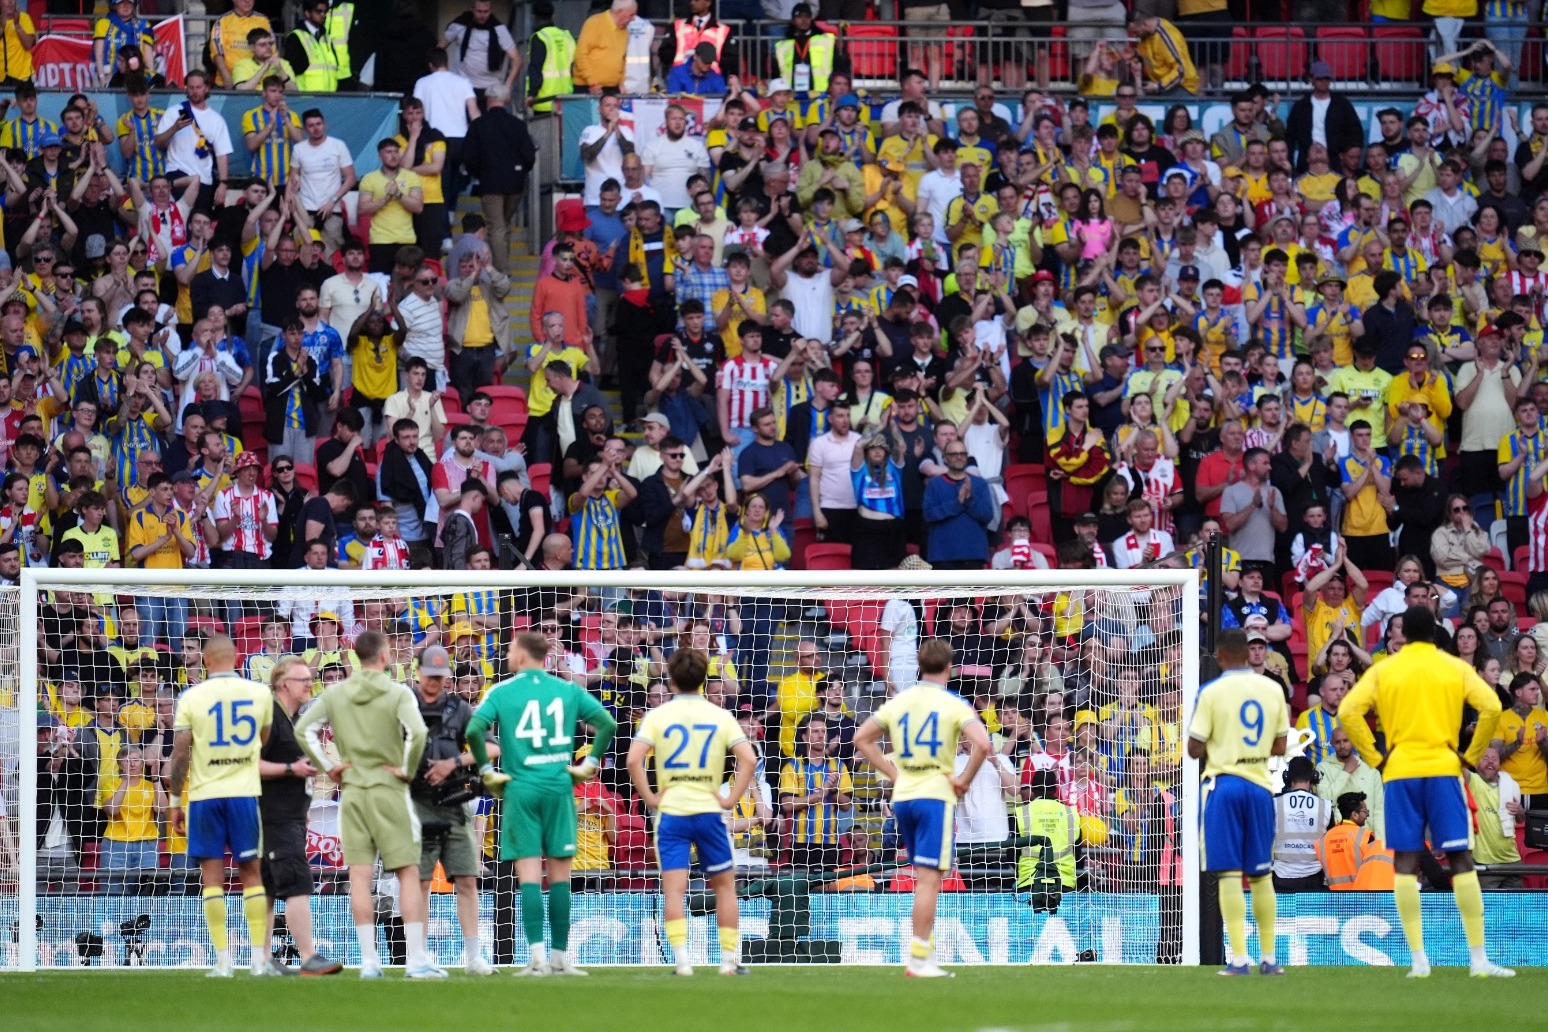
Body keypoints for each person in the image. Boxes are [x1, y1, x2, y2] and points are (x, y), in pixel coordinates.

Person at [1338, 605, 1514, 978]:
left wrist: (1376, 758)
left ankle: (1418, 960)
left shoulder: (1386, 668)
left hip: (1400, 770)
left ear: (1402, 636)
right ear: (1435, 633)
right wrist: (1470, 756)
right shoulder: (1453, 666)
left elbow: (1349, 711)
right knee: (1461, 858)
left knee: (1405, 861)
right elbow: (1493, 706)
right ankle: (1479, 959)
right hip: (1443, 769)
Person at [466, 631, 618, 976]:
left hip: (521, 789)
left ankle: (536, 958)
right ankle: (561, 958)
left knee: (530, 876)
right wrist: (590, 764)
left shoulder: (502, 691)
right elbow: (607, 723)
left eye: (508, 649)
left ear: (521, 655)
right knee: (561, 876)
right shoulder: (567, 690)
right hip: (559, 786)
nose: (506, 654)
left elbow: (475, 729)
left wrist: (488, 770)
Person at [295, 630, 439, 979]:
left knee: (359, 876)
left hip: (353, 792)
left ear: (357, 657)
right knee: (407, 873)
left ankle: (370, 963)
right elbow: (419, 734)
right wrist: (406, 769)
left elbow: (303, 730)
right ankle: (416, 961)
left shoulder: (337, 693)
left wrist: (330, 767)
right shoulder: (398, 691)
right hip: (389, 789)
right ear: (386, 656)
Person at [853, 638, 992, 978]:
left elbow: (861, 738)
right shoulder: (954, 702)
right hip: (934, 796)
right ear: (949, 667)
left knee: (921, 877)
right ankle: (918, 959)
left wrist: (892, 772)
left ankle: (921, 956)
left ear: (919, 664)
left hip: (903, 797)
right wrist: (963, 780)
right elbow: (984, 744)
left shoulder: (901, 700)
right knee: (929, 881)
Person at [627, 646, 757, 976]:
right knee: (725, 886)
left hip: (672, 814)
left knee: (674, 889)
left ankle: (683, 962)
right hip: (710, 812)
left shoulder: (657, 716)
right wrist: (730, 801)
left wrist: (652, 798)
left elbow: (632, 760)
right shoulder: (720, 716)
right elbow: (750, 759)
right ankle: (728, 961)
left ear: (670, 680)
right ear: (703, 679)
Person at [167, 634, 273, 978]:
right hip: (243, 793)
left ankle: (224, 962)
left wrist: (174, 800)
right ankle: (258, 960)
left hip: (203, 795)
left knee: (212, 879)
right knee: (252, 874)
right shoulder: (260, 693)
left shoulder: (191, 697)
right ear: (236, 656)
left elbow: (180, 754)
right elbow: (264, 740)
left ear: (206, 661)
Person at [1187, 628, 1290, 975]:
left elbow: (1193, 748)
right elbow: (1280, 746)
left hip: (1224, 785)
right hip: (1260, 785)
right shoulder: (1273, 689)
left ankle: (1240, 959)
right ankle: (1270, 958)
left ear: (1219, 656)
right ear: (1249, 654)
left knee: (1229, 873)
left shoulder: (1211, 692)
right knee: (1262, 875)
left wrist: (1221, 739)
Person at [408, 644, 492, 974]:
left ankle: (473, 956)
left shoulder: (460, 709)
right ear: (418, 672)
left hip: (454, 804)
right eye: (430, 675)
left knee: (467, 879)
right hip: (415, 803)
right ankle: (419, 955)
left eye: (441, 676)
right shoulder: (405, 705)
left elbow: (493, 747)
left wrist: (453, 763)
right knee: (420, 883)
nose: (435, 682)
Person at [257, 657, 341, 976]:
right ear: (283, 684)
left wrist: (303, 809)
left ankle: (262, 959)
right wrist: (291, 768)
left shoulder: (290, 720)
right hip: (275, 816)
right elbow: (248, 763)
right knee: (297, 883)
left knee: (266, 889)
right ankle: (307, 956)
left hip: (286, 815)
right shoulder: (269, 718)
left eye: (311, 678)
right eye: (302, 678)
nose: (310, 683)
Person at [460, 83, 537, 275]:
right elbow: (529, 155)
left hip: (490, 183)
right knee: (505, 225)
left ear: (488, 100)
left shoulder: (479, 125)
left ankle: (501, 271)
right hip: (515, 184)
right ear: (507, 100)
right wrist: (520, 171)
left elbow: (468, 156)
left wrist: (479, 173)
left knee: (496, 227)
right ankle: (501, 266)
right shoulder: (518, 125)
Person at [1271, 756, 1333, 892]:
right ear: (1313, 778)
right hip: (1315, 877)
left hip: (1282, 876)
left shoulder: (1274, 804)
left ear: (1287, 778)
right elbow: (1330, 844)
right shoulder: (1326, 806)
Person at [1316, 791, 1396, 891]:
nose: (1367, 815)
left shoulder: (1323, 840)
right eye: (1365, 811)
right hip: (1360, 896)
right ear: (1354, 815)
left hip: (1334, 898)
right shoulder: (1366, 837)